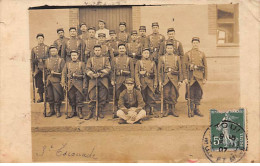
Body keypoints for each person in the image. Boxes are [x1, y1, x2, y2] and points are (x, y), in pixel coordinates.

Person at [85, 44, 111, 120]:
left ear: (101, 51)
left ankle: (100, 111)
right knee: (92, 95)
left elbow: (108, 68)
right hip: (93, 79)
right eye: (96, 50)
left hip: (103, 79)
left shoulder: (105, 59)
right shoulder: (90, 59)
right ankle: (91, 111)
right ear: (93, 51)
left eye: (99, 50)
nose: (97, 52)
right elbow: (87, 69)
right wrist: (92, 74)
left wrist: (101, 73)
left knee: (102, 96)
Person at [183, 37, 207, 117]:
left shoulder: (202, 54)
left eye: (197, 43)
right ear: (192, 44)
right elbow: (184, 67)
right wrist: (185, 78)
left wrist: (205, 78)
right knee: (191, 94)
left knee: (198, 93)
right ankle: (192, 109)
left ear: (199, 44)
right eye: (194, 43)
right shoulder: (188, 54)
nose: (195, 44)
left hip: (199, 78)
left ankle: (197, 109)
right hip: (191, 78)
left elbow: (205, 67)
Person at [158, 42, 183, 117]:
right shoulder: (162, 58)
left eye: (171, 48)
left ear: (173, 49)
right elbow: (159, 71)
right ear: (165, 49)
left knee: (173, 94)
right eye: (168, 48)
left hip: (174, 79)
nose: (169, 50)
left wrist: (180, 80)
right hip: (165, 79)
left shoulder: (177, 57)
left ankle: (173, 109)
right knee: (166, 94)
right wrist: (159, 81)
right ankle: (167, 109)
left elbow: (180, 70)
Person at [61, 50, 87, 119]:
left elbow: (85, 75)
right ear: (71, 56)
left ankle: (80, 112)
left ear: (77, 56)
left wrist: (84, 84)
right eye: (72, 55)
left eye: (75, 55)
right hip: (70, 84)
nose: (74, 57)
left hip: (79, 84)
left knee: (79, 98)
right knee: (71, 98)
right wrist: (63, 82)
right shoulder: (67, 64)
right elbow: (63, 74)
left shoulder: (82, 64)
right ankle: (73, 111)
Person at [135, 48, 158, 118]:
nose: (146, 54)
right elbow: (136, 73)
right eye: (145, 53)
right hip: (142, 82)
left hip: (150, 82)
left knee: (151, 96)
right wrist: (138, 83)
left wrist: (155, 83)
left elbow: (155, 74)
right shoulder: (139, 62)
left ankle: (151, 109)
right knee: (142, 96)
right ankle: (143, 109)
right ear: (142, 54)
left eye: (147, 53)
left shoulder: (152, 62)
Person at [111, 43, 134, 107]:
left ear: (125, 49)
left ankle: (127, 108)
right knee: (118, 95)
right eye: (120, 48)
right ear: (118, 50)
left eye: (123, 48)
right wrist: (112, 80)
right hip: (118, 80)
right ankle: (118, 109)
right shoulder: (114, 59)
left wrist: (132, 80)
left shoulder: (129, 59)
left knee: (127, 95)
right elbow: (112, 71)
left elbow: (132, 71)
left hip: (127, 80)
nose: (121, 50)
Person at [45, 45, 65, 117]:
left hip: (57, 80)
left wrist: (56, 73)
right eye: (51, 51)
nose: (53, 52)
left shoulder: (61, 60)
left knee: (57, 96)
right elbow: (46, 71)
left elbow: (63, 72)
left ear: (57, 51)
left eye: (54, 50)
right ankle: (51, 110)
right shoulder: (47, 60)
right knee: (50, 96)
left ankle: (58, 111)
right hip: (49, 80)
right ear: (50, 52)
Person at [31, 33, 49, 103]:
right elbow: (32, 60)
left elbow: (50, 58)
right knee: (39, 83)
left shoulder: (47, 48)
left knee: (47, 83)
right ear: (37, 39)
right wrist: (32, 71)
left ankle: (47, 97)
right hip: (37, 69)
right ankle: (41, 98)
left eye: (41, 38)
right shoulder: (34, 49)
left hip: (46, 68)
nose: (40, 40)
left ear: (43, 39)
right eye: (39, 38)